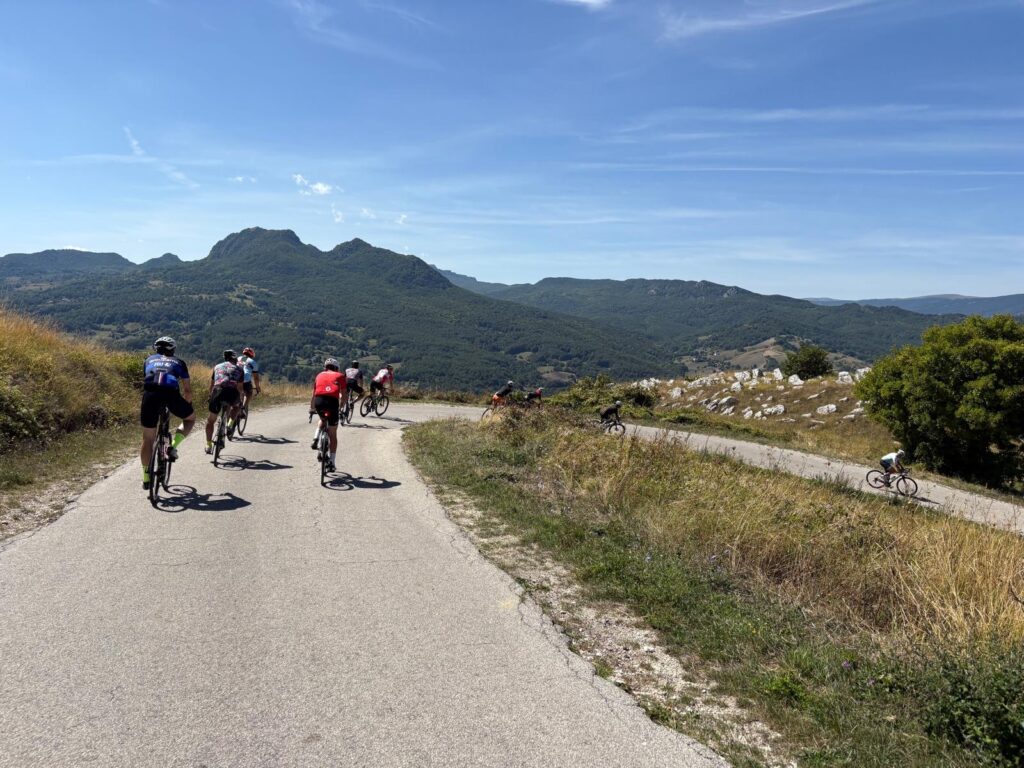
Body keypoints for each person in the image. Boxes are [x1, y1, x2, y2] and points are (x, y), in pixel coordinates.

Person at [140, 336, 196, 489]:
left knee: (148, 438)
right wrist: (188, 405)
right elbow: (187, 390)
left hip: (150, 396)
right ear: (173, 350)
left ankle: (146, 477)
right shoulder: (179, 362)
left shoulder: (148, 360)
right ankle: (172, 446)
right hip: (171, 395)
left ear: (156, 349)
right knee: (190, 419)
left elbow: (147, 378)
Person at [205, 350, 244, 454]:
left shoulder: (217, 366)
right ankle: (230, 424)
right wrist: (240, 400)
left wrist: (210, 396)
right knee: (237, 406)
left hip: (218, 391)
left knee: (210, 420)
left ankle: (208, 445)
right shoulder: (240, 369)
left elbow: (212, 385)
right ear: (235, 359)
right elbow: (240, 388)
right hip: (231, 392)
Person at [310, 357, 346, 472]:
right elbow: (344, 396)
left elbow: (313, 395)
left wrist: (312, 408)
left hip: (319, 401)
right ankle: (332, 462)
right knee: (333, 434)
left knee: (322, 419)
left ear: (325, 367)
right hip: (332, 402)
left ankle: (316, 438)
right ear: (336, 368)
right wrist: (341, 408)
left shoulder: (319, 375)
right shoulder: (340, 376)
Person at [237, 346, 261, 412]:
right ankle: (243, 409)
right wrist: (257, 387)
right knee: (248, 393)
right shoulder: (253, 362)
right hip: (245, 380)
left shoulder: (239, 358)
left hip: (235, 378)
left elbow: (242, 364)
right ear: (252, 354)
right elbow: (256, 378)